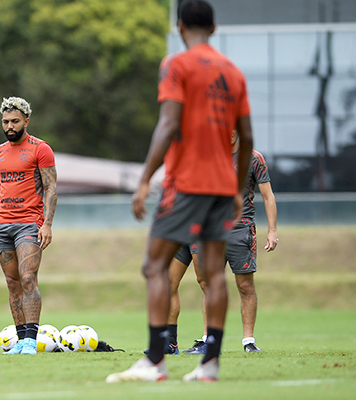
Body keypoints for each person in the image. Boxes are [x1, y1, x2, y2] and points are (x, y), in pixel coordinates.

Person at [106, 0, 253, 383]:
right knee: (214, 276)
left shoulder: (177, 65)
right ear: (214, 28)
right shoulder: (234, 73)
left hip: (187, 183)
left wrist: (144, 178)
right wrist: (237, 190)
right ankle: (211, 364)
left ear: (181, 26)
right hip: (223, 186)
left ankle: (155, 360)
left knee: (154, 266)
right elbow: (248, 138)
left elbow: (168, 123)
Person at [181, 130, 278, 355]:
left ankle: (248, 341)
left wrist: (272, 230)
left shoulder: (254, 158)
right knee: (209, 285)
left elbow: (268, 196)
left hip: (240, 229)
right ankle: (208, 340)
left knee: (245, 286)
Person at [0, 97, 57, 355]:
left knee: (28, 278)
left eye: (15, 121)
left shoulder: (40, 149)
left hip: (29, 224)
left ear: (26, 120)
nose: (10, 126)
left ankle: (31, 340)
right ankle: (20, 339)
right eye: (5, 122)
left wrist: (47, 224)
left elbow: (51, 187)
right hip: (3, 226)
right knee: (12, 283)